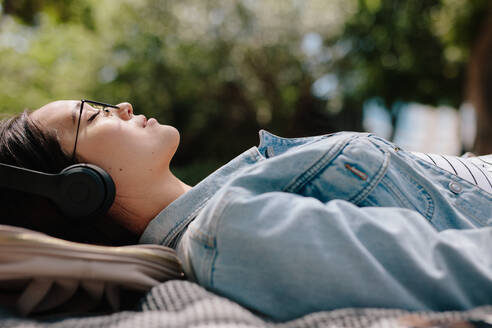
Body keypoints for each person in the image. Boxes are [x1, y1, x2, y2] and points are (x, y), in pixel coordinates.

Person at [0, 99, 491, 321]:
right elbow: (456, 267)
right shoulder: (231, 235)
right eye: (93, 114)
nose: (123, 105)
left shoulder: (233, 198)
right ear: (78, 190)